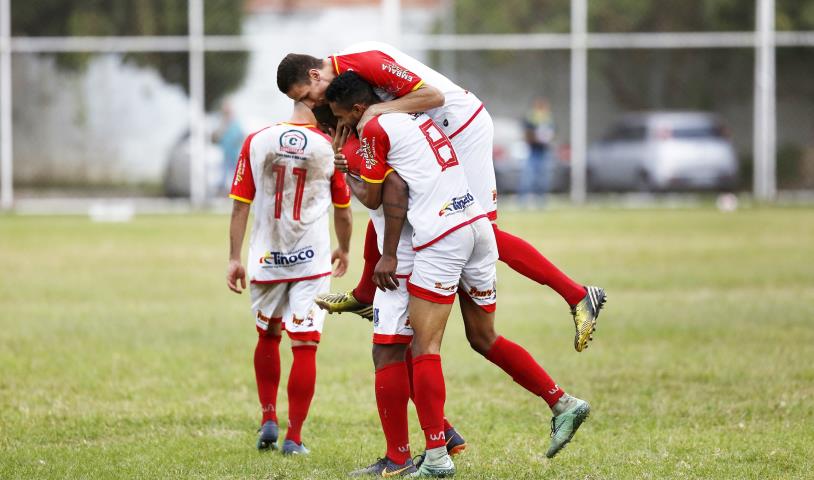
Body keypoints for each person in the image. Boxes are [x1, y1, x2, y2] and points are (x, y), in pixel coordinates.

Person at [326, 72, 591, 477]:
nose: (343, 124)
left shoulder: (374, 128)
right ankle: (562, 403)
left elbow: (388, 192)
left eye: (341, 117)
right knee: (483, 337)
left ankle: (432, 455)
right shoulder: (410, 116)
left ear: (355, 109)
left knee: (420, 348)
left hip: (441, 237)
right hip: (477, 227)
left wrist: (346, 170)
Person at [277, 42, 606, 353]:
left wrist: (377, 110)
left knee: (484, 234)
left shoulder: (361, 61)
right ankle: (365, 294)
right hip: (435, 133)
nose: (311, 103)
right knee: (388, 199)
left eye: (308, 94)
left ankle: (577, 295)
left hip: (462, 128)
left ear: (315, 75)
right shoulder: (341, 88)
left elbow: (432, 96)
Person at [312, 105, 467, 477]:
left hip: (404, 264)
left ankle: (403, 457)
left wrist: (389, 255)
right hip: (431, 246)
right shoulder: (403, 126)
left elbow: (389, 189)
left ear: (330, 124)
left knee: (390, 352)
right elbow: (379, 216)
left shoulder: (355, 144)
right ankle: (442, 436)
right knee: (412, 352)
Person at [225, 102, 353, 455]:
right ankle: (293, 437)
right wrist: (344, 247)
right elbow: (343, 208)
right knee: (305, 344)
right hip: (311, 259)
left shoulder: (257, 140)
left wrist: (234, 258)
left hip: (266, 257)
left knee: (268, 335)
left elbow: (240, 204)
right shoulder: (329, 148)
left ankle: (268, 418)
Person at [519, 97, 555, 206]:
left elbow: (552, 131)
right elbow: (527, 132)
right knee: (529, 177)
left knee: (542, 178)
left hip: (543, 150)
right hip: (533, 150)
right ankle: (523, 200)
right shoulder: (532, 116)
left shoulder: (548, 117)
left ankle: (541, 201)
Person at [213, 99, 245, 193]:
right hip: (225, 153)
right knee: (224, 172)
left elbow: (241, 136)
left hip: (234, 153)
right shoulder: (221, 123)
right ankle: (224, 189)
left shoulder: (235, 123)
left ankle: (235, 189)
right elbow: (216, 137)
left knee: (235, 172)